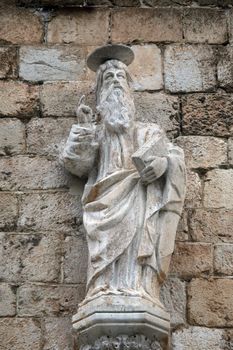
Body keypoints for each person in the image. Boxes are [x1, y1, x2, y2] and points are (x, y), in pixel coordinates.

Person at [61, 46, 186, 307]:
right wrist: (83, 127)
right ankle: (101, 289)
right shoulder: (94, 131)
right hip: (103, 204)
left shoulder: (148, 131)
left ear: (129, 89)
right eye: (109, 78)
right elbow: (76, 165)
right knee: (103, 248)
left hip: (138, 199)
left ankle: (139, 287)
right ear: (100, 92)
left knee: (139, 239)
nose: (116, 82)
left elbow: (173, 156)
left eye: (120, 77)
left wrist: (163, 164)